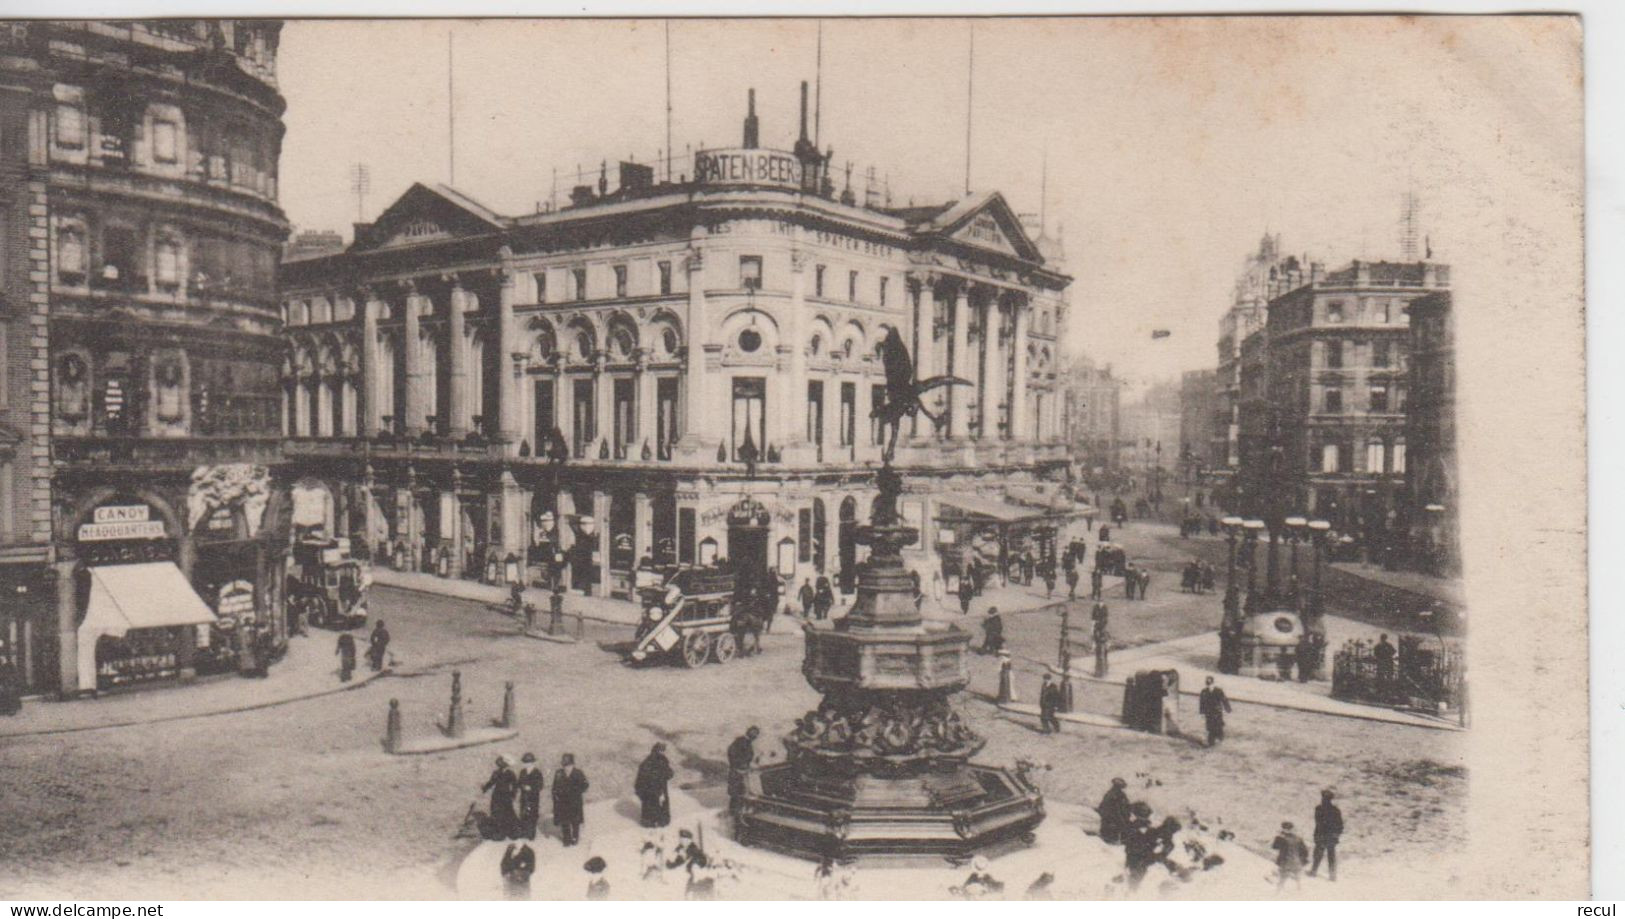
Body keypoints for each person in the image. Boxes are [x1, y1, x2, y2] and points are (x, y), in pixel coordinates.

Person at [551, 753, 589, 846]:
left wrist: (577, 790)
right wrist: (555, 795)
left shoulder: (578, 773)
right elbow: (554, 786)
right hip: (563, 802)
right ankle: (566, 839)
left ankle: (575, 837)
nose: (566, 768)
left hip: (574, 802)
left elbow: (585, 785)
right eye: (564, 765)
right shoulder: (559, 773)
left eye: (568, 765)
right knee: (564, 821)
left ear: (572, 764)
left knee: (575, 821)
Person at [635, 742, 674, 828]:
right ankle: (656, 824)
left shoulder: (660, 761)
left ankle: (657, 823)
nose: (662, 752)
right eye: (661, 750)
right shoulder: (652, 762)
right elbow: (642, 779)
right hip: (652, 791)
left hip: (657, 790)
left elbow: (669, 773)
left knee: (656, 810)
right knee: (654, 810)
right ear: (656, 750)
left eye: (663, 751)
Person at [481, 755, 520, 840]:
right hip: (497, 795)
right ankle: (500, 833)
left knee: (508, 813)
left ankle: (513, 832)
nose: (500, 766)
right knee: (497, 814)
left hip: (506, 795)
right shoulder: (496, 773)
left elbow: (515, 785)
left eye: (502, 764)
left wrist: (513, 794)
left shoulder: (510, 773)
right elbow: (491, 782)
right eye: (499, 765)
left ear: (506, 765)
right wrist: (485, 788)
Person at [1309, 789, 1344, 881]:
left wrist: (1317, 835)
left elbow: (1319, 823)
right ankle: (1331, 875)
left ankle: (1314, 872)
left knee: (1319, 855)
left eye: (1324, 798)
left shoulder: (1319, 809)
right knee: (1329, 855)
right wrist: (1336, 834)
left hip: (1322, 836)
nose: (1323, 800)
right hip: (1329, 836)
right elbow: (1340, 825)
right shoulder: (1335, 810)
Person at [1122, 802, 1157, 890]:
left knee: (1135, 874)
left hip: (1134, 856)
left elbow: (1124, 839)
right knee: (1138, 874)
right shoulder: (1151, 829)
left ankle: (1132, 888)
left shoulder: (1130, 826)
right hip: (1141, 856)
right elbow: (1152, 844)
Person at [727, 726, 759, 812]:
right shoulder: (740, 741)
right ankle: (734, 815)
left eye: (756, 734)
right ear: (748, 732)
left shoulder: (748, 743)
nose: (755, 735)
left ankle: (738, 814)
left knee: (741, 794)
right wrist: (740, 765)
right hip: (737, 771)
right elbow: (731, 753)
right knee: (736, 795)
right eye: (754, 733)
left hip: (742, 771)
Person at [1272, 820, 1310, 891]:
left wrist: (1278, 837)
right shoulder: (1299, 838)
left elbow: (1274, 847)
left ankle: (1277, 893)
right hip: (1297, 863)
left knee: (1282, 880)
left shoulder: (1281, 838)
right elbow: (1305, 852)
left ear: (1283, 829)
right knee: (1298, 879)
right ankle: (1300, 891)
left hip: (1285, 863)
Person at [1199, 676, 1233, 747]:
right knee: (1210, 726)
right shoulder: (1204, 692)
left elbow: (1224, 700)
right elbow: (1202, 702)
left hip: (1217, 712)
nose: (1209, 686)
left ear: (1213, 683)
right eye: (1208, 684)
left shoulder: (1218, 691)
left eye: (1210, 684)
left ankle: (1220, 738)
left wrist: (1228, 708)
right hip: (1209, 712)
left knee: (1218, 725)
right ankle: (1211, 741)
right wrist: (1202, 712)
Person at [516, 752, 544, 839]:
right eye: (525, 762)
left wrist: (531, 788)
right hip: (524, 797)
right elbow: (519, 783)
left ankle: (531, 834)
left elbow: (540, 785)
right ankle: (524, 832)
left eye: (527, 762)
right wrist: (522, 786)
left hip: (533, 798)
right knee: (523, 814)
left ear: (532, 762)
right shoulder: (522, 772)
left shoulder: (537, 772)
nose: (525, 764)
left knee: (532, 815)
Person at [1097, 777, 1131, 844]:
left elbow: (1101, 808)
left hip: (1111, 821)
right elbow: (1120, 808)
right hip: (1113, 821)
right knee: (1111, 840)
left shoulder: (1113, 794)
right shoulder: (1114, 795)